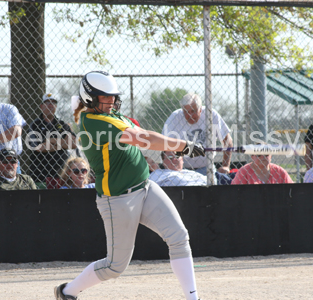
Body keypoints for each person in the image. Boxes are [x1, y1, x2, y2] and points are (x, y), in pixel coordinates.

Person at [54, 71, 205, 300]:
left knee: (178, 236)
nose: (112, 101)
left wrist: (175, 147)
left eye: (113, 96)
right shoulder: (94, 123)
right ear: (90, 98)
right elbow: (141, 137)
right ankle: (67, 292)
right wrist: (182, 144)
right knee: (115, 266)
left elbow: (143, 139)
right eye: (105, 97)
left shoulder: (113, 114)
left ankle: (194, 298)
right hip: (118, 199)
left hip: (145, 187)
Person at [162, 93, 232, 177]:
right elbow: (165, 145)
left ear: (200, 109)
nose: (190, 115)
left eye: (193, 111)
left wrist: (225, 165)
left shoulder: (211, 115)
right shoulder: (175, 117)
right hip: (181, 168)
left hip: (206, 167)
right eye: (186, 112)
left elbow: (227, 140)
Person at [28, 93, 76, 189]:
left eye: (53, 103)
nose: (51, 105)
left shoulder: (62, 124)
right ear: (41, 106)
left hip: (61, 174)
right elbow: (39, 147)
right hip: (40, 175)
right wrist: (63, 142)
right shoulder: (34, 125)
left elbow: (73, 143)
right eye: (47, 102)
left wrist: (51, 141)